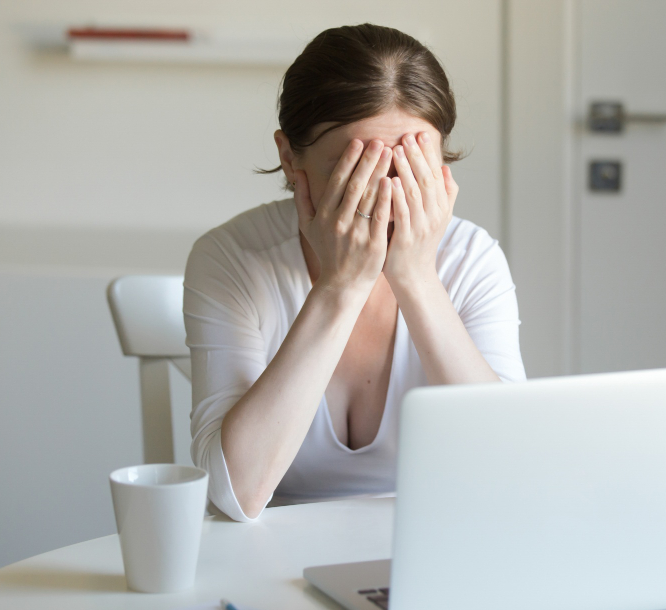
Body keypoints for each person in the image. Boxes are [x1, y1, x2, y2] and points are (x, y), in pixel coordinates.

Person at [184, 24, 526, 522]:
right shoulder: (230, 258)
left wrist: (417, 279)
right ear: (288, 158)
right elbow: (235, 493)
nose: (384, 199)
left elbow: (513, 469)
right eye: (354, 172)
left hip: (431, 542)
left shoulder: (472, 260)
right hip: (271, 556)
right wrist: (340, 288)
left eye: (410, 172)